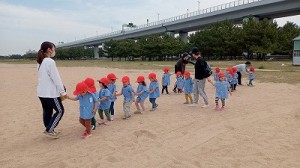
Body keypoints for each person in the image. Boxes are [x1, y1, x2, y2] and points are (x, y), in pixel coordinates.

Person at [37, 41, 67, 139]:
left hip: (41, 92)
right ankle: (49, 130)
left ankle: (49, 128)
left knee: (47, 111)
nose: (54, 50)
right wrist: (62, 91)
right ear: (49, 49)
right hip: (50, 93)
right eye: (54, 48)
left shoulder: (40, 62)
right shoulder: (50, 61)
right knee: (60, 111)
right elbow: (56, 78)